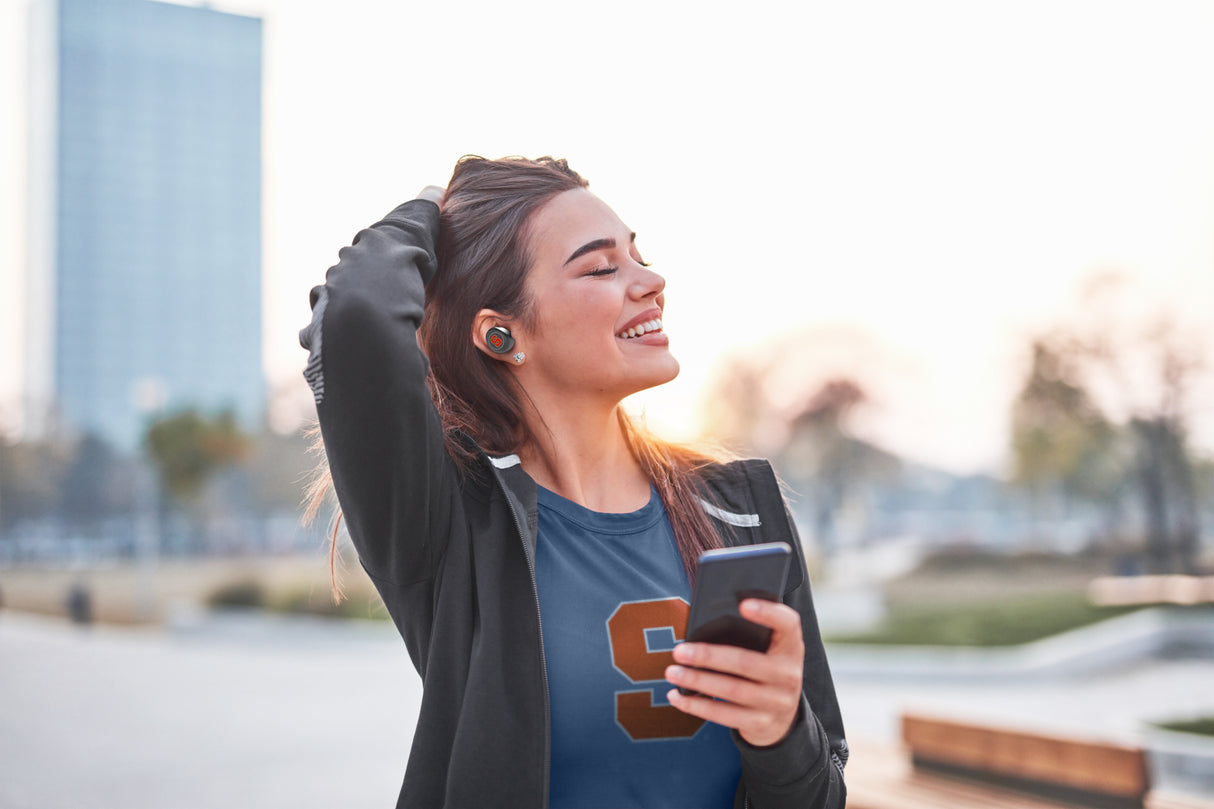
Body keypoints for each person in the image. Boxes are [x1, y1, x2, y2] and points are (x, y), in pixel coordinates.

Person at [300, 156, 847, 809]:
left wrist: (781, 730)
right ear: (500, 334)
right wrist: (432, 205)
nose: (652, 282)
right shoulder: (449, 522)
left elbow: (823, 792)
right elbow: (357, 313)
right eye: (601, 268)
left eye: (639, 256)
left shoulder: (738, 507)